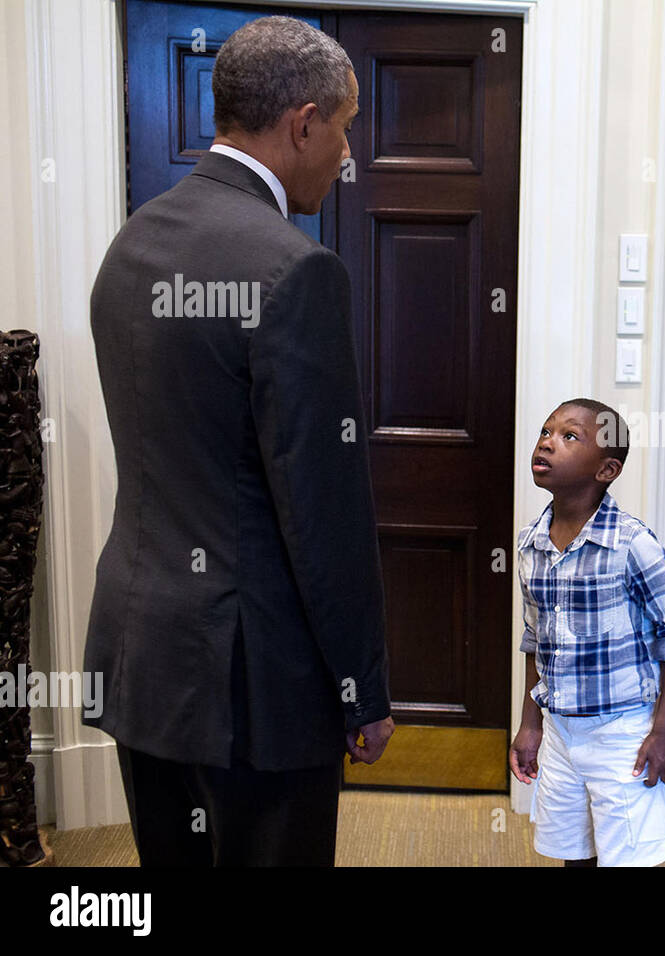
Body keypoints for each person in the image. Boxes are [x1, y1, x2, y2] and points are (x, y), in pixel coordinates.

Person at [82, 16, 393, 867]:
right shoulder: (295, 269)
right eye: (344, 128)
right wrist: (362, 688)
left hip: (142, 654)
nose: (346, 154)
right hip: (257, 684)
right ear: (302, 122)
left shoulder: (132, 243)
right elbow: (322, 513)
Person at [509, 400, 665, 867]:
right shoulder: (530, 544)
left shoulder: (633, 544)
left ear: (607, 469)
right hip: (559, 734)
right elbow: (536, 640)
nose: (548, 441)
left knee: (627, 856)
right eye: (546, 431)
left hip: (622, 736)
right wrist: (530, 725)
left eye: (569, 437)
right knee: (573, 852)